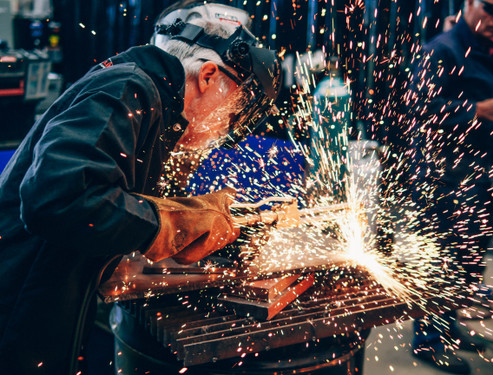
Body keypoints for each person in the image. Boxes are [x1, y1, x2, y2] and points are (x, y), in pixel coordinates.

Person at [0, 4, 282, 374]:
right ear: (208, 75)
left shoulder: (149, 100)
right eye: (229, 113)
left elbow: (107, 202)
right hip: (16, 309)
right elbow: (59, 198)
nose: (222, 129)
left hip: (40, 301)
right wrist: (170, 222)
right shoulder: (128, 87)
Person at [410, 0, 493, 373]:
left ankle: (449, 328)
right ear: (468, 4)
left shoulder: (489, 49)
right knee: (441, 266)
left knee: (467, 264)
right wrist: (474, 111)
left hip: (480, 179)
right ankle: (428, 343)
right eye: (491, 9)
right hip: (444, 182)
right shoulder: (441, 50)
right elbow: (415, 106)